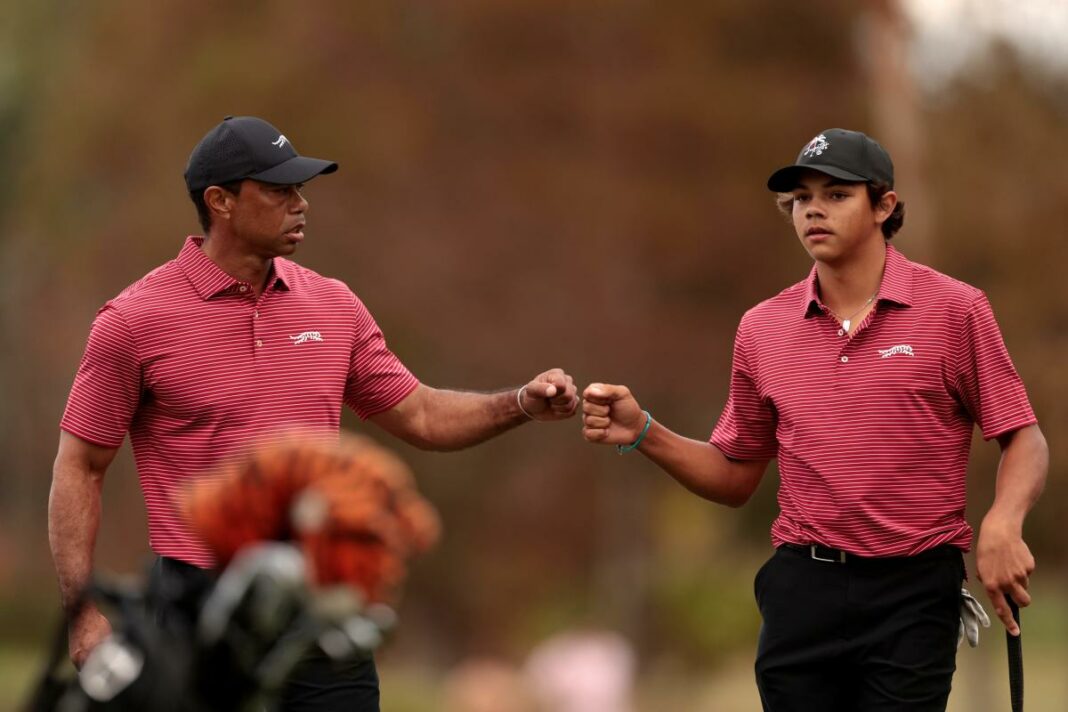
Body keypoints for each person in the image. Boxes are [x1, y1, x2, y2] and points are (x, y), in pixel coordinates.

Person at [48, 115, 579, 711]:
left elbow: (423, 416)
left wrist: (520, 404)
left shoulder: (333, 303)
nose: (300, 204)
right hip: (196, 606)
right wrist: (81, 614)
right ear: (219, 201)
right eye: (278, 191)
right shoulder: (133, 320)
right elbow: (80, 467)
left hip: (322, 601)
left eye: (300, 189)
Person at [581, 128, 1047, 711]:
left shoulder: (955, 310)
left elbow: (1022, 434)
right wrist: (644, 432)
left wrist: (1004, 521)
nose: (814, 210)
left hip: (913, 591)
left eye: (836, 194)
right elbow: (735, 475)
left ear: (884, 206)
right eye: (801, 198)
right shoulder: (762, 328)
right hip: (803, 587)